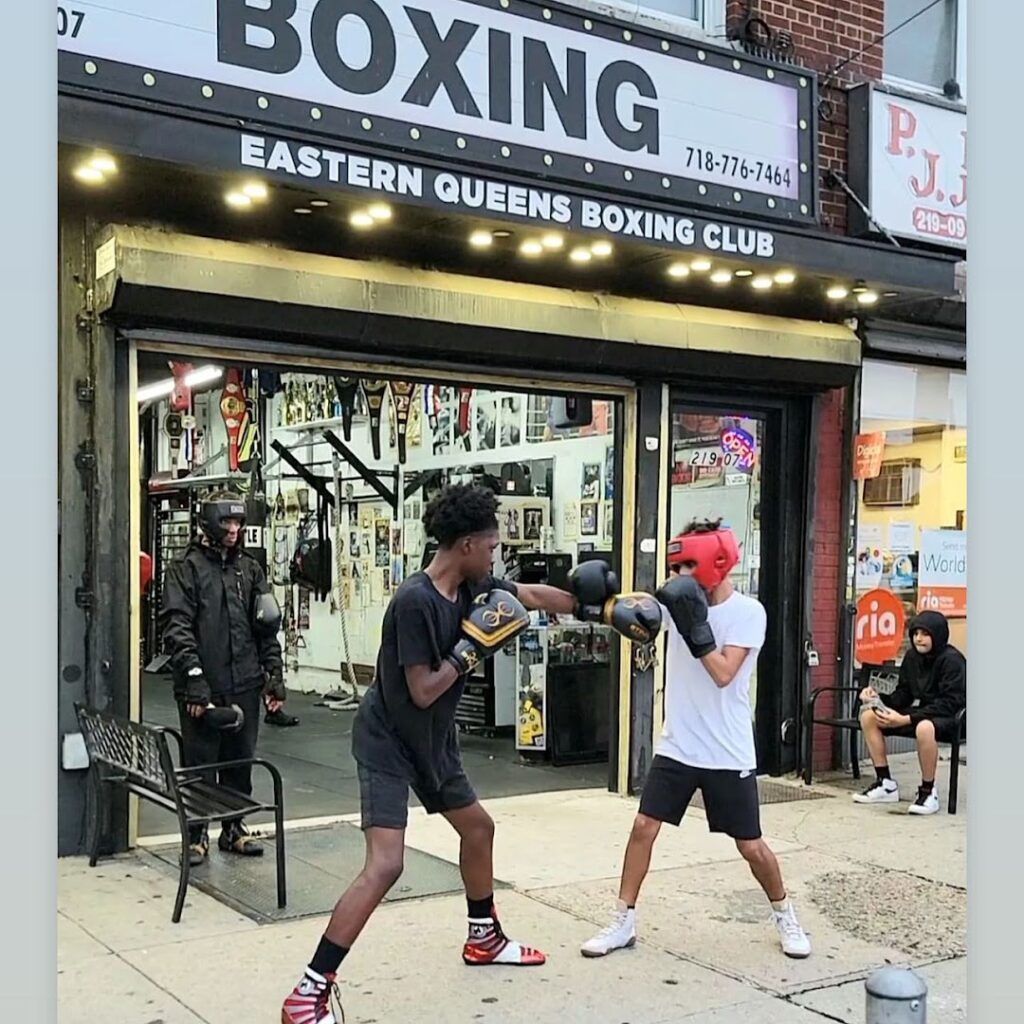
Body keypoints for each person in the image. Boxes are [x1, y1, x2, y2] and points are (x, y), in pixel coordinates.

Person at [281, 483, 659, 1023]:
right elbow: (423, 689)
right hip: (388, 741)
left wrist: (600, 610)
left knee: (479, 829)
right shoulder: (415, 602)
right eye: (490, 547)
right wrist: (472, 647)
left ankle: (483, 937)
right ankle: (308, 993)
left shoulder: (475, 586)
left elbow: (526, 596)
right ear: (464, 546)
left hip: (433, 741)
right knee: (386, 865)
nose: (496, 556)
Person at [579, 519, 812, 961]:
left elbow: (724, 673)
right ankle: (623, 920)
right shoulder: (674, 603)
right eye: (677, 564)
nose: (681, 573)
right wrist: (598, 604)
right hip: (679, 744)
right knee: (643, 827)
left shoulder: (748, 612)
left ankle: (785, 914)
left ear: (717, 561)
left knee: (750, 845)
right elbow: (638, 617)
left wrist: (693, 627)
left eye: (689, 563)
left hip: (727, 749)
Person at [160, 490, 286, 864]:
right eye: (227, 522)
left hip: (244, 681)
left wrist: (274, 674)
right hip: (203, 685)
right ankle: (196, 836)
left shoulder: (249, 568)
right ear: (209, 523)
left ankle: (234, 829)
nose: (234, 530)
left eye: (239, 522)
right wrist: (194, 681)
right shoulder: (185, 569)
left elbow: (266, 625)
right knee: (201, 764)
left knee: (239, 762)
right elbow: (177, 627)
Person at [853, 610, 967, 815]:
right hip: (924, 712)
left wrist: (906, 718)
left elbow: (950, 703)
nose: (919, 638)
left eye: (925, 633)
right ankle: (885, 782)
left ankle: (927, 791)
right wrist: (878, 699)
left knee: (924, 727)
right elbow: (904, 693)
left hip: (954, 717)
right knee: (869, 716)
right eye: (915, 633)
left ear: (938, 635)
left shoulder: (953, 660)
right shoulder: (912, 657)